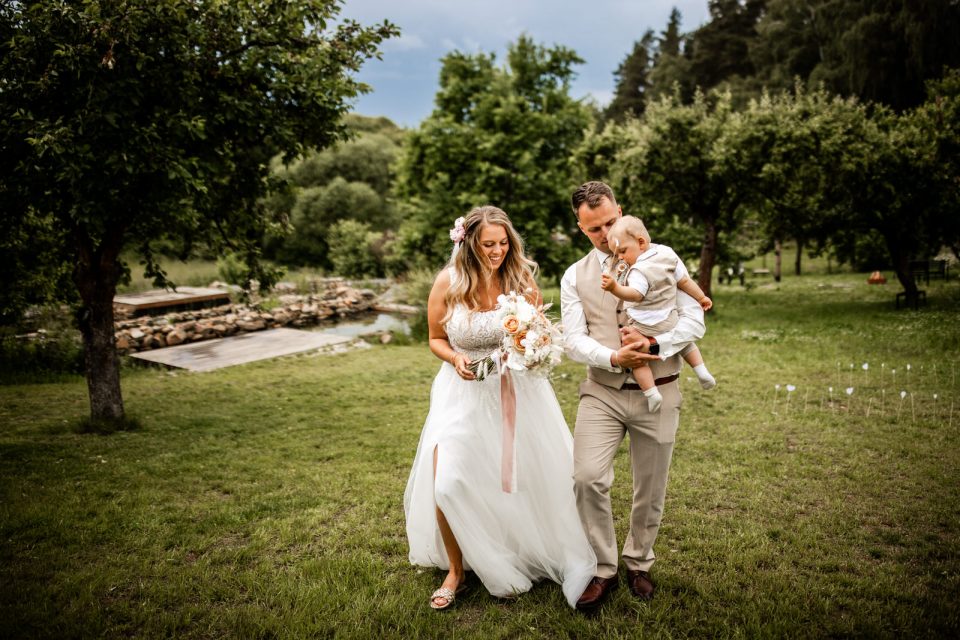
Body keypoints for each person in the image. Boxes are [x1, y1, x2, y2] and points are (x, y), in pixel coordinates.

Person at [404, 205, 596, 610]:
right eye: (487, 244)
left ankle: (514, 548)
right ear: (468, 243)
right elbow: (436, 338)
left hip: (518, 395)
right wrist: (455, 358)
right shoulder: (448, 281)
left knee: (519, 480)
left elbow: (540, 331)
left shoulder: (520, 279)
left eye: (503, 243)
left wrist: (533, 348)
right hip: (461, 395)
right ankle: (455, 570)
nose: (496, 251)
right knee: (446, 484)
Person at [560, 181, 703, 611]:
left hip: (660, 387)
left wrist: (655, 346)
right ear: (580, 227)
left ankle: (639, 561)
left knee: (651, 485)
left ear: (620, 211)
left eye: (609, 223)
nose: (605, 235)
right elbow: (573, 339)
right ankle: (603, 568)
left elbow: (694, 320)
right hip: (601, 392)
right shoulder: (574, 276)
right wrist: (613, 357)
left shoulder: (664, 257)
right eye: (594, 229)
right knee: (586, 478)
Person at [601, 215, 716, 413]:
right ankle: (702, 371)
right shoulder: (667, 254)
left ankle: (651, 393)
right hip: (669, 319)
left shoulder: (638, 270)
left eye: (622, 251)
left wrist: (615, 288)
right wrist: (701, 297)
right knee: (686, 344)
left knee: (637, 358)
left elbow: (635, 295)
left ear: (641, 243)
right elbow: (684, 281)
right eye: (616, 254)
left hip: (643, 326)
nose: (620, 257)